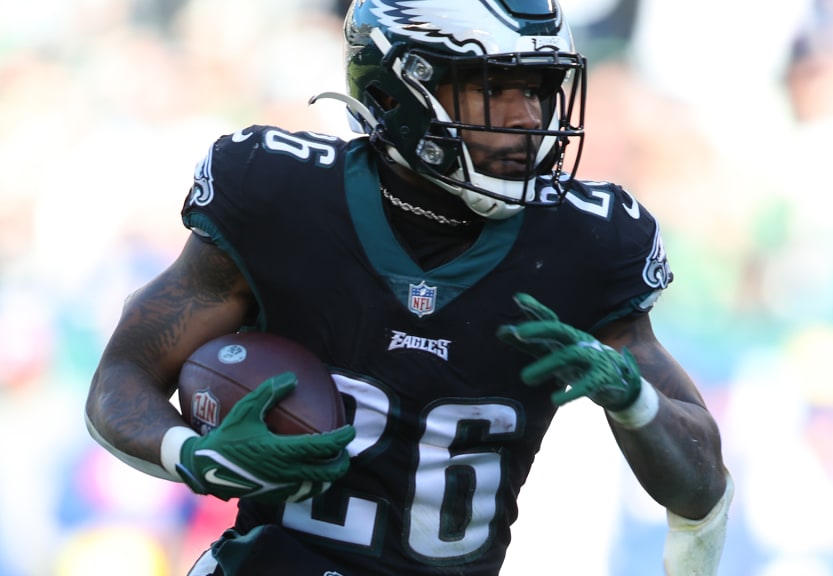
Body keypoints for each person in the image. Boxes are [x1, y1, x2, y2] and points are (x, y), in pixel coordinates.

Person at [84, 1, 732, 574]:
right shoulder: (279, 196)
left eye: (538, 88)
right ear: (397, 94)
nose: (529, 116)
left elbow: (702, 489)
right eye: (493, 89)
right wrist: (192, 455)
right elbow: (122, 376)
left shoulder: (588, 244)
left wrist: (633, 398)